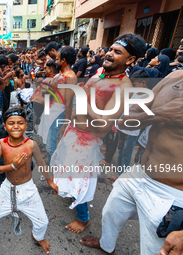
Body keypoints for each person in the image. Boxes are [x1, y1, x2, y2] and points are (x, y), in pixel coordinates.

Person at [50, 33, 146, 234]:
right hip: (74, 131)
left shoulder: (123, 86)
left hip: (87, 139)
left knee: (82, 178)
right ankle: (73, 195)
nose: (109, 54)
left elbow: (104, 122)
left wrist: (83, 99)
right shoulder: (102, 70)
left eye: (117, 52)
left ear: (130, 60)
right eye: (110, 49)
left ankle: (83, 219)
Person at [80, 69, 183, 255]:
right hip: (140, 173)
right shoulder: (175, 76)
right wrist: (162, 113)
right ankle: (106, 245)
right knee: (111, 213)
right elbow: (125, 122)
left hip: (172, 193)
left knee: (154, 249)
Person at [0, 107, 59, 254]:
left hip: (28, 189)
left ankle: (37, 237)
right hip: (7, 188)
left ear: (26, 125)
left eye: (20, 123)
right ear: (5, 126)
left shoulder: (31, 145)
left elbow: (41, 164)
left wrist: (50, 182)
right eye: (11, 123)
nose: (16, 126)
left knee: (43, 222)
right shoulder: (1, 144)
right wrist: (12, 166)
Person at [38, 47, 76, 163]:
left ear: (63, 60)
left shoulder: (70, 76)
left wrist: (65, 123)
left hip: (59, 113)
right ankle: (51, 162)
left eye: (58, 59)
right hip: (51, 111)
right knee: (48, 142)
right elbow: (47, 93)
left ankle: (55, 171)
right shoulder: (59, 75)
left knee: (51, 145)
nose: (55, 62)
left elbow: (69, 101)